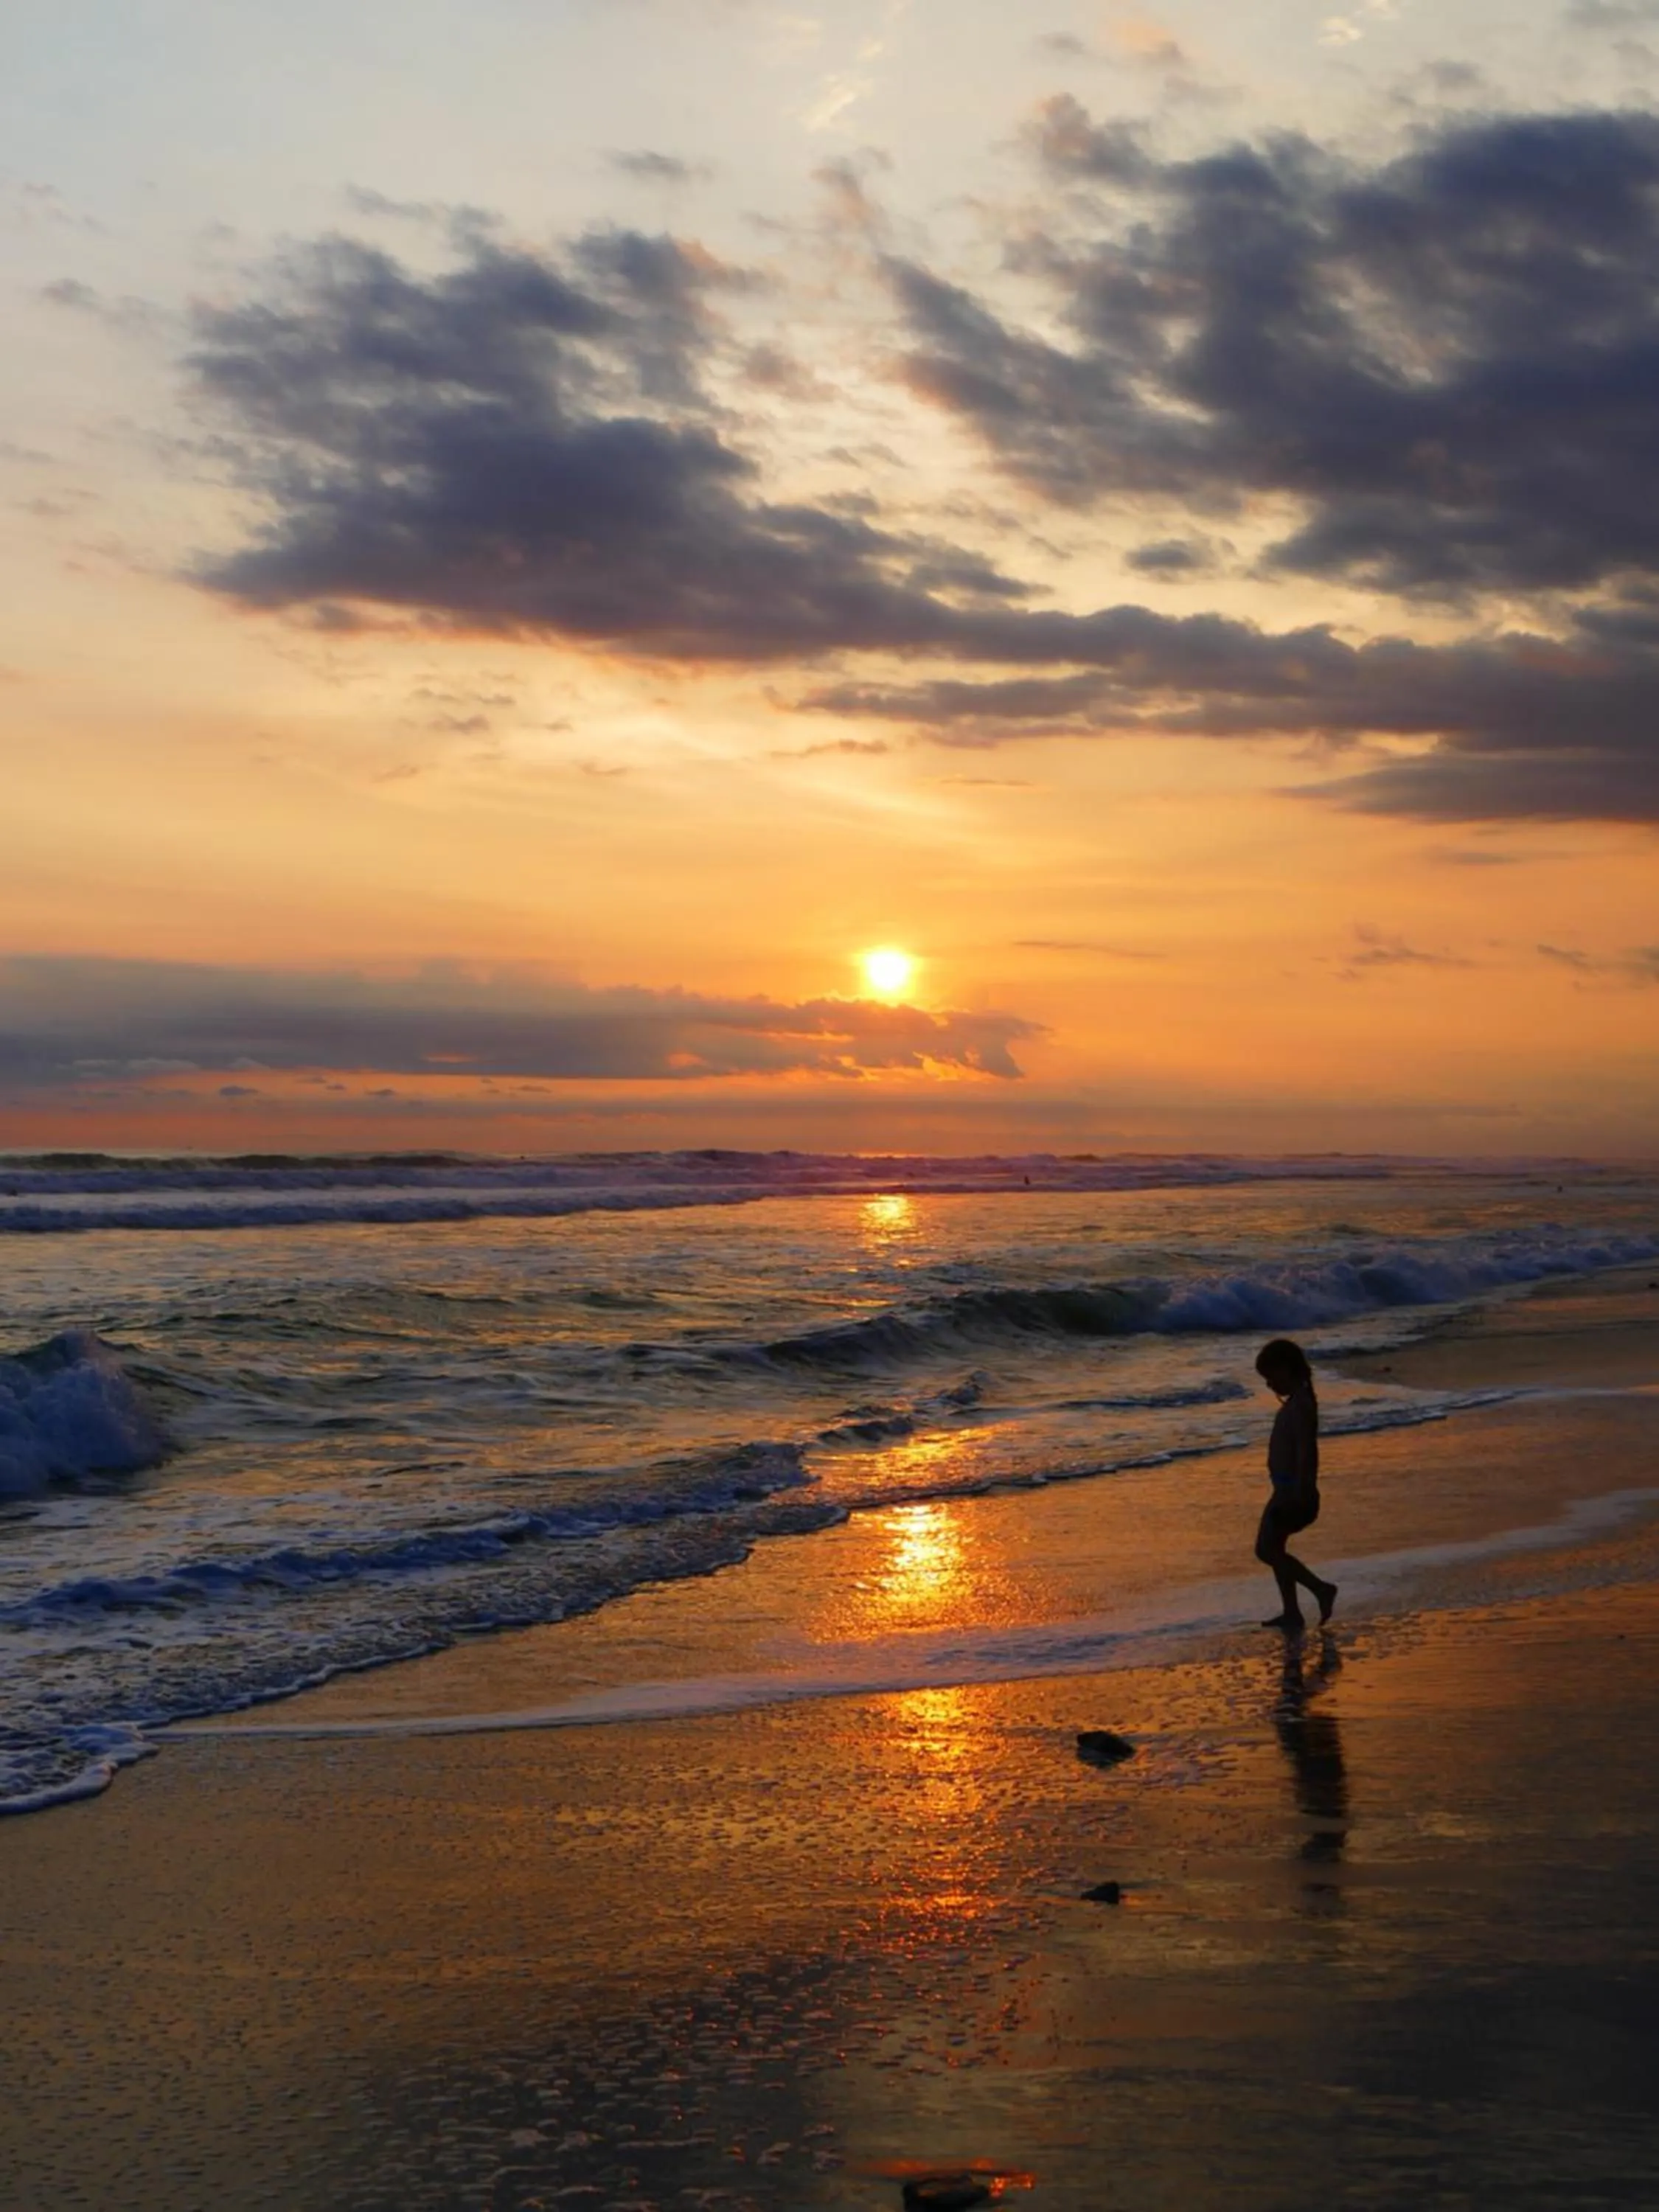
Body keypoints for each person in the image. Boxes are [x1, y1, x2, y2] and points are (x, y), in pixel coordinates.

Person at [1253, 1338, 1337, 1633]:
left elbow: (1306, 1450)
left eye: (1271, 1377)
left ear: (1287, 1369)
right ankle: (1292, 1611)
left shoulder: (1301, 1405)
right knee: (1274, 1547)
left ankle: (1321, 1589)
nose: (1269, 1385)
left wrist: (1303, 1489)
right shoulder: (1299, 1402)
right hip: (1284, 1489)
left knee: (1266, 1550)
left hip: (1293, 1491)